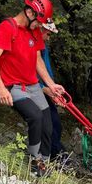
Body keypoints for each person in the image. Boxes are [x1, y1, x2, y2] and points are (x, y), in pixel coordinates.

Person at [0, 0, 65, 176]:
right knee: (35, 116)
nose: (40, 26)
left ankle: (44, 163)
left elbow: (37, 59)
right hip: (13, 85)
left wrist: (51, 85)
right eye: (38, 22)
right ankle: (33, 161)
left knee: (47, 122)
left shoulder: (34, 30)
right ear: (29, 12)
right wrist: (0, 87)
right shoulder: (8, 28)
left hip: (33, 85)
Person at [37, 19, 67, 161]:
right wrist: (45, 89)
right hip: (35, 91)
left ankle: (54, 156)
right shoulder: (32, 48)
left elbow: (47, 71)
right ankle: (51, 158)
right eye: (48, 34)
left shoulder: (43, 48)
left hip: (44, 90)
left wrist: (53, 90)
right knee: (48, 125)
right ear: (40, 30)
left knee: (55, 124)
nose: (49, 38)